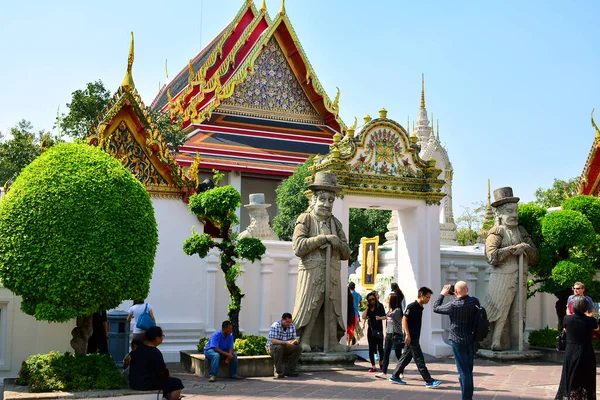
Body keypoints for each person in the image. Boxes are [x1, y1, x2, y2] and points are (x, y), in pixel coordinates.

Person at [291, 171, 351, 352]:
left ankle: (331, 341)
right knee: (311, 305)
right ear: (314, 199)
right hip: (312, 269)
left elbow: (347, 253)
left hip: (331, 271)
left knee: (332, 307)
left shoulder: (336, 223)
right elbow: (298, 247)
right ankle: (304, 339)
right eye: (323, 199)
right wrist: (322, 239)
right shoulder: (305, 219)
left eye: (331, 200)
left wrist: (337, 243)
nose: (326, 204)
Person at [484, 187, 538, 351]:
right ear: (499, 213)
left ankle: (516, 342)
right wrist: (512, 249)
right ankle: (495, 340)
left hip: (520, 276)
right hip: (502, 276)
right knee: (500, 310)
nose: (514, 215)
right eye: (509, 211)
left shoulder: (521, 231)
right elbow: (491, 257)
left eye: (515, 211)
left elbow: (535, 256)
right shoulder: (497, 231)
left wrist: (526, 248)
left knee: (518, 312)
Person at [433, 281, 480, 400]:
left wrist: (442, 294)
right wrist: (457, 295)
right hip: (471, 339)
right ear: (467, 290)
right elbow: (465, 301)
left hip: (457, 340)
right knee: (468, 370)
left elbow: (436, 307)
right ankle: (468, 396)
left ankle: (466, 398)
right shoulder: (474, 301)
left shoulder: (453, 305)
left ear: (456, 292)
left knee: (463, 371)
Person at [390, 287, 440, 388]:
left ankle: (395, 375)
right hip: (411, 337)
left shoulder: (420, 307)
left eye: (429, 298)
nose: (428, 299)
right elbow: (404, 319)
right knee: (419, 358)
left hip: (415, 337)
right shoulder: (412, 306)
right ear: (421, 295)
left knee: (406, 358)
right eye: (427, 297)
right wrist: (407, 335)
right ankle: (428, 380)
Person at [556, 295, 599, 399]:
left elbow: (566, 330)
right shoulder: (591, 320)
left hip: (571, 351)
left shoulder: (567, 319)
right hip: (586, 351)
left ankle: (570, 396)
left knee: (570, 375)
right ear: (585, 306)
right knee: (586, 376)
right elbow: (597, 329)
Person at [128, 326, 184, 400]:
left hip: (134, 382)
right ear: (157, 338)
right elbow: (161, 371)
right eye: (162, 336)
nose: (162, 339)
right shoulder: (155, 352)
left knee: (166, 382)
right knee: (176, 383)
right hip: (146, 384)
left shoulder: (138, 348)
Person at [375, 293, 403, 379]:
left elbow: (388, 315)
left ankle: (401, 371)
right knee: (386, 353)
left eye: (389, 299)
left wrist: (387, 306)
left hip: (396, 334)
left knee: (398, 354)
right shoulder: (391, 310)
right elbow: (386, 318)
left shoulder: (397, 310)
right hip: (389, 334)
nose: (387, 300)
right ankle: (384, 372)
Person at [266, 313, 302, 379]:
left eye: (290, 322)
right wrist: (285, 342)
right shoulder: (275, 325)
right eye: (287, 322)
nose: (289, 324)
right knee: (279, 348)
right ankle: (278, 372)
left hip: (285, 346)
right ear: (282, 319)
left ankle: (290, 370)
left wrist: (295, 341)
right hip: (272, 347)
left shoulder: (292, 326)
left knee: (298, 348)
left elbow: (293, 338)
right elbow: (273, 341)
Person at [362, 291, 385, 372]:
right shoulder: (369, 308)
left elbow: (385, 316)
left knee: (380, 348)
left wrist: (379, 318)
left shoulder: (380, 306)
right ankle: (373, 366)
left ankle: (381, 362)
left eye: (373, 299)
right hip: (371, 331)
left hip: (379, 330)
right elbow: (363, 316)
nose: (372, 301)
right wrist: (367, 308)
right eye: (370, 300)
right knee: (371, 348)